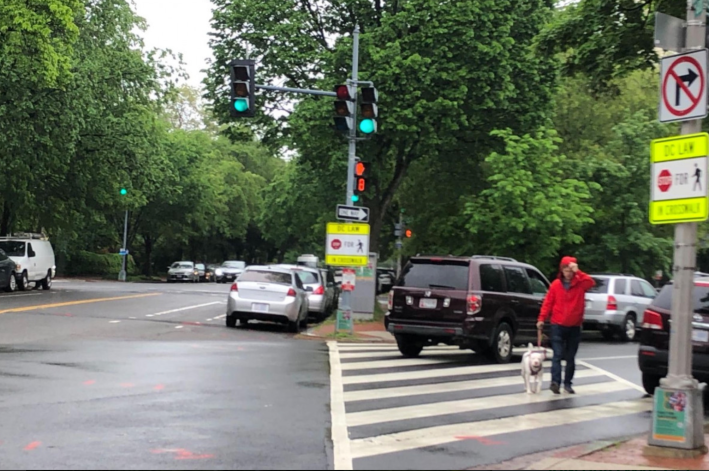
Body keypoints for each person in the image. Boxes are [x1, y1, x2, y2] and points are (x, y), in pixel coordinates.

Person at [536, 256, 595, 395]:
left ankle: (568, 384)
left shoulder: (580, 283)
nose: (568, 273)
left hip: (574, 326)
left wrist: (578, 271)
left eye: (570, 270)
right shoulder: (556, 285)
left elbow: (591, 283)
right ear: (561, 270)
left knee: (570, 357)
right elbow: (548, 303)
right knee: (557, 355)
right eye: (565, 270)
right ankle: (555, 382)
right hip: (557, 324)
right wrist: (541, 319)